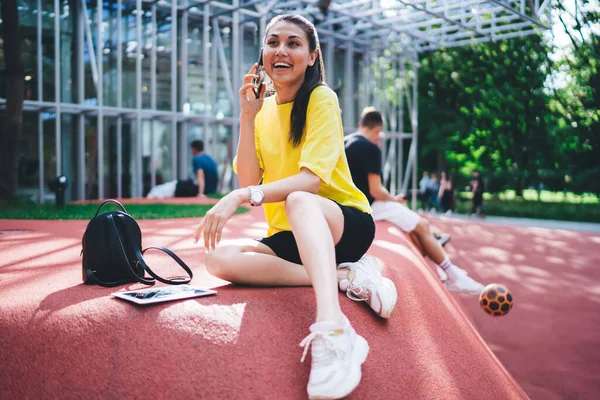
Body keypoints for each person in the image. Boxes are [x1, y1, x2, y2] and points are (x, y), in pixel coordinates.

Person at [194, 14, 397, 399]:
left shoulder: (322, 98)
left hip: (342, 221)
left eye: (292, 43)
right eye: (272, 42)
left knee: (300, 198)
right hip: (291, 231)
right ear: (263, 53)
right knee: (217, 259)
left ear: (311, 55)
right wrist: (247, 116)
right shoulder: (262, 111)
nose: (281, 50)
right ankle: (342, 276)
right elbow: (250, 181)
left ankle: (334, 330)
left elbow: (308, 183)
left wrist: (240, 198)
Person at [344, 107, 485, 295]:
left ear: (361, 123)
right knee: (422, 224)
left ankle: (441, 270)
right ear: (378, 128)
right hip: (369, 206)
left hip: (350, 205)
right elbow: (376, 190)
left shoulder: (344, 143)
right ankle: (453, 276)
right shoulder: (370, 148)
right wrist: (394, 199)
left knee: (413, 225)